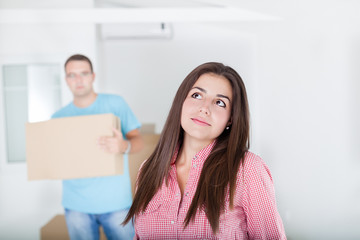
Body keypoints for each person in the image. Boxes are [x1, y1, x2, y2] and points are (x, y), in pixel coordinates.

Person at [123, 62, 286, 239]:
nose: (204, 108)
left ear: (231, 118)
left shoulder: (248, 169)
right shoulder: (149, 169)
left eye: (219, 102)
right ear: (181, 102)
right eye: (197, 95)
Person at [52, 54, 143, 240]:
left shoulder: (116, 103)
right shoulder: (58, 118)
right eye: (72, 75)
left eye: (84, 73)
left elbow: (139, 142)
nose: (78, 80)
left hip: (117, 203)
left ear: (93, 76)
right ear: (66, 80)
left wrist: (123, 145)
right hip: (76, 206)